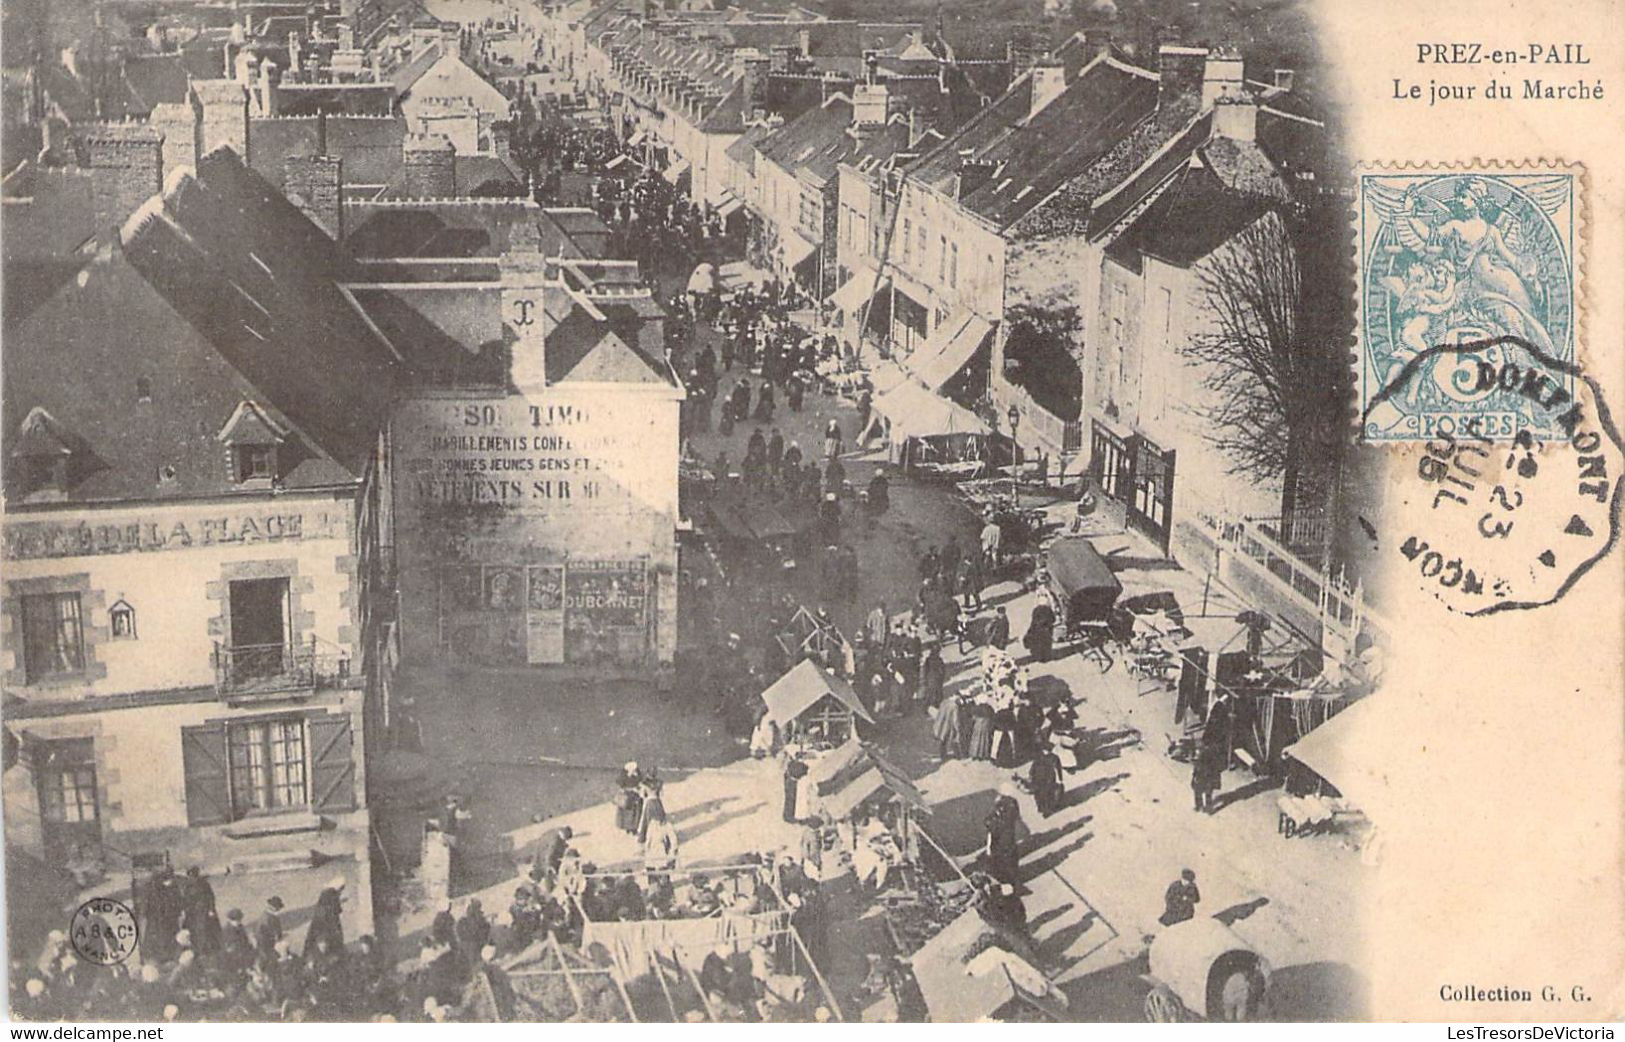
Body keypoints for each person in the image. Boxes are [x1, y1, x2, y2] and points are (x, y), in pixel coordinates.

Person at [303, 878, 346, 961]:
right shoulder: (331, 895)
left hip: (323, 921)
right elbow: (336, 909)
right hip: (328, 922)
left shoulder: (326, 895)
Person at [1029, 743, 1064, 817]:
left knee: (1046, 795)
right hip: (1040, 779)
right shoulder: (1049, 757)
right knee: (1040, 795)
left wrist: (1060, 779)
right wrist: (1031, 776)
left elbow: (1058, 768)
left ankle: (1046, 810)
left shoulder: (1053, 758)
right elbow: (1033, 767)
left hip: (1047, 779)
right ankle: (1042, 808)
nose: (1046, 751)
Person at [254, 896, 285, 971]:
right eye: (278, 908)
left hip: (271, 944)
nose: (279, 910)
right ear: (273, 908)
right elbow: (261, 936)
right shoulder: (266, 918)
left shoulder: (272, 916)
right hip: (266, 946)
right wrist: (275, 938)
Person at [615, 762, 643, 834]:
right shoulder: (636, 776)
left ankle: (629, 827)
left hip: (629, 796)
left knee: (628, 813)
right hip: (633, 796)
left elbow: (620, 785)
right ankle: (632, 828)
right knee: (634, 813)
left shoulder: (625, 776)